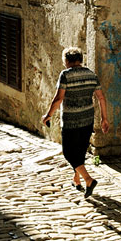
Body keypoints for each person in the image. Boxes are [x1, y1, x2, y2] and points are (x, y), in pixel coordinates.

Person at [42, 46, 109, 198]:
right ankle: (76, 179)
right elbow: (101, 98)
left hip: (71, 121)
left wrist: (48, 115)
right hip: (87, 119)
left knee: (68, 152)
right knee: (79, 151)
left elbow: (59, 99)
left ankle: (89, 180)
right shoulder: (91, 74)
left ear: (67, 61)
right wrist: (104, 119)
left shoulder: (66, 74)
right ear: (80, 60)